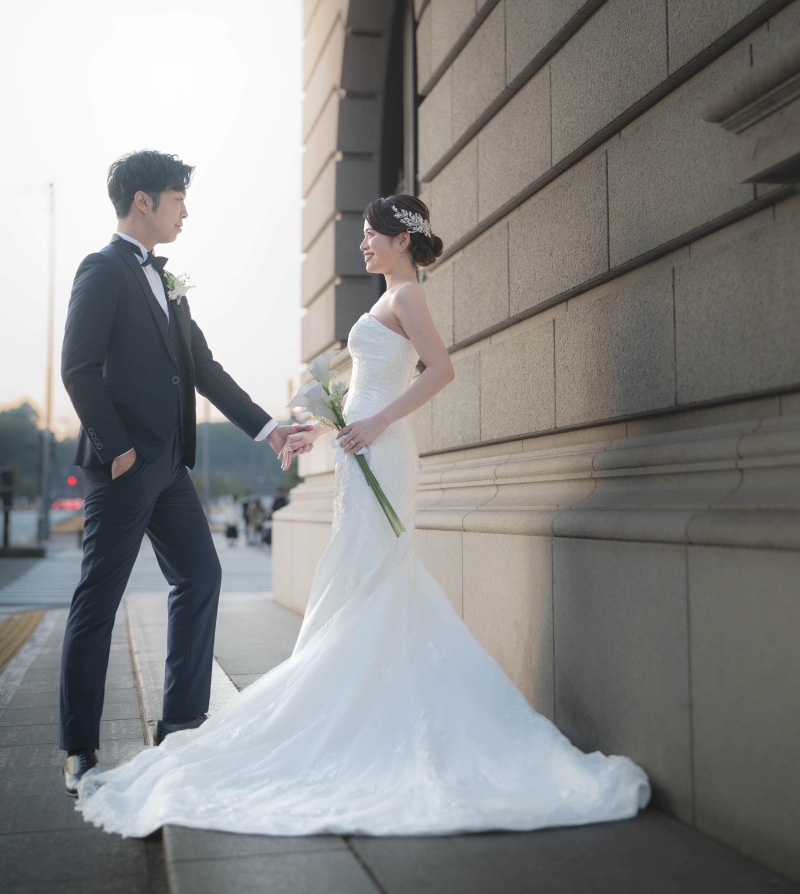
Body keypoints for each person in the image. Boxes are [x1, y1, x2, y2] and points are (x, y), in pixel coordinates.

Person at [74, 194, 650, 836]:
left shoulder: (406, 297)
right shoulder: (382, 299)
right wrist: (316, 426)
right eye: (363, 235)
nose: (363, 244)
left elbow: (441, 370)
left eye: (372, 235)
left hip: (385, 451)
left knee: (366, 577)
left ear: (403, 241)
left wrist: (374, 421)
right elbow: (358, 386)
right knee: (356, 580)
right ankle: (353, 705)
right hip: (352, 452)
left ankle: (331, 715)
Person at [59, 150, 288, 797]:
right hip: (125, 465)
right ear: (143, 202)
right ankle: (78, 749)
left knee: (201, 574)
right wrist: (120, 449)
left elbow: (204, 369)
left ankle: (182, 723)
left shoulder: (170, 280)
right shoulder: (101, 270)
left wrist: (270, 430)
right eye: (177, 197)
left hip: (171, 467)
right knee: (96, 603)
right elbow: (77, 367)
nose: (185, 209)